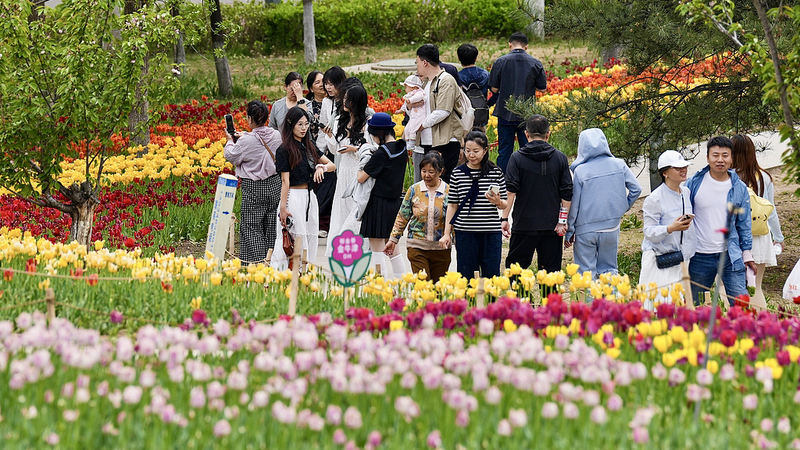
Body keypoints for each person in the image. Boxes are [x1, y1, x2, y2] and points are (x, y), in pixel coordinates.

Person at [686, 136, 755, 306]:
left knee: (741, 305)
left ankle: (742, 333)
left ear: (732, 159)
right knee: (695, 305)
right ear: (708, 157)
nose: (720, 160)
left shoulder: (739, 188)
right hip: (699, 256)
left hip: (730, 255)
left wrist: (746, 253)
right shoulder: (693, 184)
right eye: (715, 155)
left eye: (725, 155)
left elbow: (743, 223)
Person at [565, 128, 641, 277]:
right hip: (611, 227)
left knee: (586, 274)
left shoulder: (580, 171)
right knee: (609, 270)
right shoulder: (619, 164)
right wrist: (623, 207)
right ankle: (611, 299)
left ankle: (589, 300)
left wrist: (570, 230)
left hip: (585, 229)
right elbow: (636, 189)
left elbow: (575, 205)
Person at [501, 115, 572, 275]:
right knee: (551, 274)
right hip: (552, 225)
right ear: (548, 134)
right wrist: (562, 222)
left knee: (516, 272)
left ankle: (517, 300)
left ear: (526, 134)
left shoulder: (517, 158)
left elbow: (510, 191)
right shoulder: (560, 158)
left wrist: (505, 218)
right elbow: (566, 193)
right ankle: (549, 301)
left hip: (523, 224)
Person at [272, 107, 335, 270]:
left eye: (306, 124)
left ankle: (305, 272)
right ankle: (287, 274)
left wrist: (321, 168)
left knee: (310, 235)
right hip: (293, 197)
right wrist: (283, 208)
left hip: (309, 197)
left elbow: (332, 165)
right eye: (300, 124)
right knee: (293, 236)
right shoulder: (284, 149)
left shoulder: (309, 145)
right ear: (291, 124)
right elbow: (285, 182)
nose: (303, 128)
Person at [223, 100, 283, 265]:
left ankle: (256, 264)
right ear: (266, 117)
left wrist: (229, 140)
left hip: (254, 187)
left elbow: (231, 155)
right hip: (274, 185)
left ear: (249, 119)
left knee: (251, 226)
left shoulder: (245, 141)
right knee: (272, 224)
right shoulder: (276, 135)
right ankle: (273, 262)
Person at [441, 130, 507, 278]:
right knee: (466, 275)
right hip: (465, 232)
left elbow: (504, 204)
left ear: (485, 151)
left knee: (491, 275)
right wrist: (447, 233)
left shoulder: (495, 173)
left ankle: (489, 302)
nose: (471, 155)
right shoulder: (457, 173)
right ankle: (470, 302)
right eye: (467, 151)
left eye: (476, 151)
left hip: (490, 232)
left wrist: (497, 201)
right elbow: (452, 205)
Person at [639, 150, 697, 310]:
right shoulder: (654, 199)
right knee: (656, 307)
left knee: (678, 307)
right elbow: (649, 232)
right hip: (659, 260)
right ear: (665, 173)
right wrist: (670, 228)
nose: (683, 170)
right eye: (677, 168)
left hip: (681, 259)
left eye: (684, 166)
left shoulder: (686, 192)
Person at [732, 134, 784, 308]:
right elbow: (771, 210)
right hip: (760, 236)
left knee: (726, 286)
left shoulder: (727, 177)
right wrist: (779, 237)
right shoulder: (764, 177)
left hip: (735, 236)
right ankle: (760, 327)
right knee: (756, 286)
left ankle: (728, 324)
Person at [358, 113, 409, 279]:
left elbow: (361, 177)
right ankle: (401, 284)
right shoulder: (402, 148)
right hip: (395, 203)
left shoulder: (380, 154)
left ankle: (382, 287)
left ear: (379, 134)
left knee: (377, 250)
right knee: (393, 248)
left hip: (377, 204)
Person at [385, 152, 451, 282]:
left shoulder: (448, 191)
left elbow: (453, 219)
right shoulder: (414, 190)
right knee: (422, 286)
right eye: (423, 171)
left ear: (441, 171)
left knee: (439, 289)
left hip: (441, 249)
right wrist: (393, 239)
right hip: (417, 246)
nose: (426, 175)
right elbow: (402, 216)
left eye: (431, 172)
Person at [488, 32, 548, 172]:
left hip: (504, 112)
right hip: (526, 114)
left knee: (504, 152)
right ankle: (528, 178)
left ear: (510, 45)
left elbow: (494, 89)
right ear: (526, 47)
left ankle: (503, 182)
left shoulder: (500, 62)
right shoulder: (535, 63)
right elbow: (543, 89)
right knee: (528, 149)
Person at [325, 81, 370, 254]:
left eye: (348, 99)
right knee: (341, 208)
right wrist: (329, 136)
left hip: (358, 171)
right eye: (344, 98)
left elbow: (371, 151)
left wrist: (355, 149)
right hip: (343, 170)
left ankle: (355, 250)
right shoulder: (340, 120)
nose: (344, 102)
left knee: (355, 208)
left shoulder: (366, 123)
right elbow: (335, 149)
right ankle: (338, 249)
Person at [415, 44, 464, 183]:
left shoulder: (446, 80)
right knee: (430, 183)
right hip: (429, 141)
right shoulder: (426, 82)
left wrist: (421, 125)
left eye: (417, 62)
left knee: (444, 183)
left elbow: (443, 111)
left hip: (445, 140)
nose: (417, 66)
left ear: (425, 63)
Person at [311, 68, 346, 238]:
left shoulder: (348, 99)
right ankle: (322, 222)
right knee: (327, 188)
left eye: (332, 84)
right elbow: (324, 130)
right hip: (331, 150)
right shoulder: (326, 102)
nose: (328, 88)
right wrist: (318, 153)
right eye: (326, 84)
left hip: (346, 150)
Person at [396, 74, 427, 182]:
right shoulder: (411, 94)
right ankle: (409, 141)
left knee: (413, 129)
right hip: (414, 116)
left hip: (419, 118)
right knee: (408, 128)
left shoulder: (419, 92)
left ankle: (412, 141)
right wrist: (405, 107)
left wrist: (410, 102)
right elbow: (406, 106)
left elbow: (418, 98)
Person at [305, 70, 326, 144]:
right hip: (312, 146)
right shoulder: (308, 105)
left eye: (323, 81)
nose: (321, 84)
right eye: (317, 83)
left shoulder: (334, 103)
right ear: (311, 89)